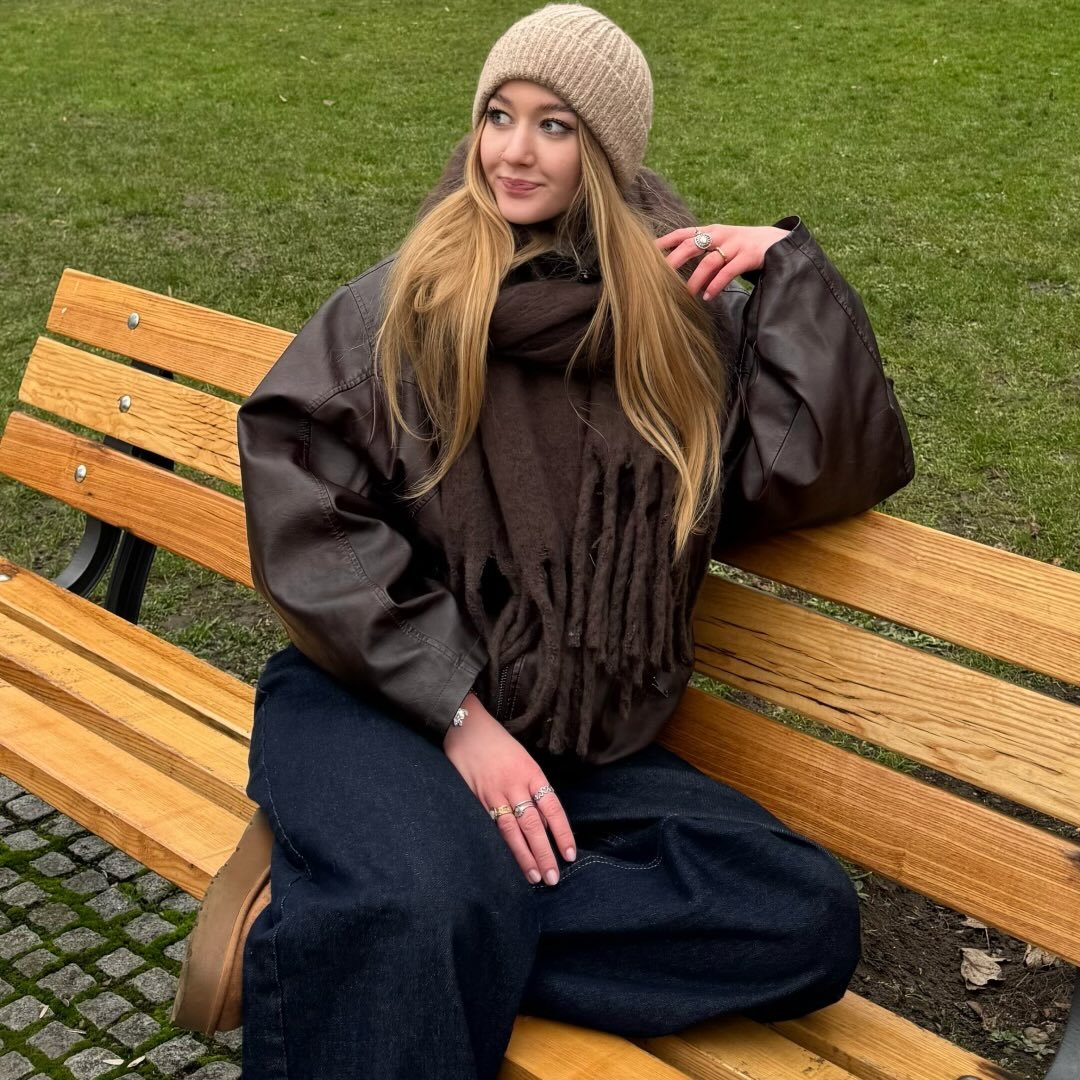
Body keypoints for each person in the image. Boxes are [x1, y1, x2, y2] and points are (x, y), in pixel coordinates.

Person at [171, 4, 915, 1077]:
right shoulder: (408, 302)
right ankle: (407, 902)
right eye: (498, 116)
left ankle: (362, 906)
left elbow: (815, 472)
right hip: (382, 698)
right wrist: (460, 715)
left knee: (799, 916)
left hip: (575, 738)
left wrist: (787, 270)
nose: (513, 151)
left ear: (606, 151)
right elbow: (306, 499)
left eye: (554, 125)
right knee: (422, 904)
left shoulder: (674, 320)